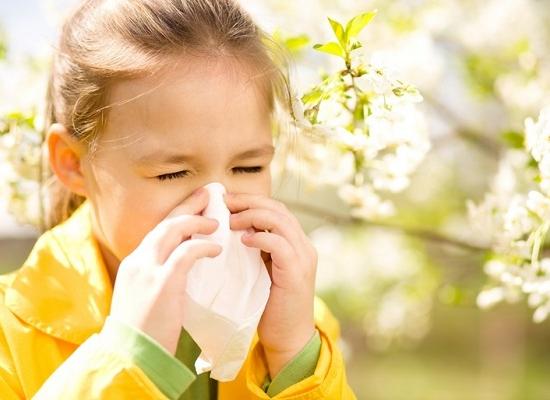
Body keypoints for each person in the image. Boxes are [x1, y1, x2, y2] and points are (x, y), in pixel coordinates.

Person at [0, 0, 357, 398]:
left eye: (249, 167)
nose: (216, 208)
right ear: (73, 164)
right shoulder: (8, 339)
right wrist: (130, 359)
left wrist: (294, 358)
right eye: (171, 173)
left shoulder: (295, 323)